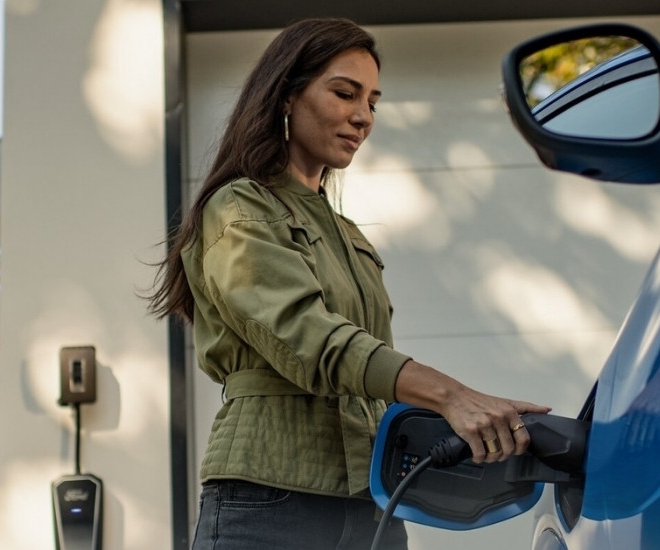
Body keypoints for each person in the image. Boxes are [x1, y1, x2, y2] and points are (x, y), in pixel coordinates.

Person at [145, 17, 551, 550]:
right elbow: (312, 342)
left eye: (373, 102)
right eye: (344, 93)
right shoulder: (239, 208)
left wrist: (473, 425)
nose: (363, 117)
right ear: (287, 96)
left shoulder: (346, 233)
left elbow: (369, 365)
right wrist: (454, 396)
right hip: (269, 504)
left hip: (371, 503)